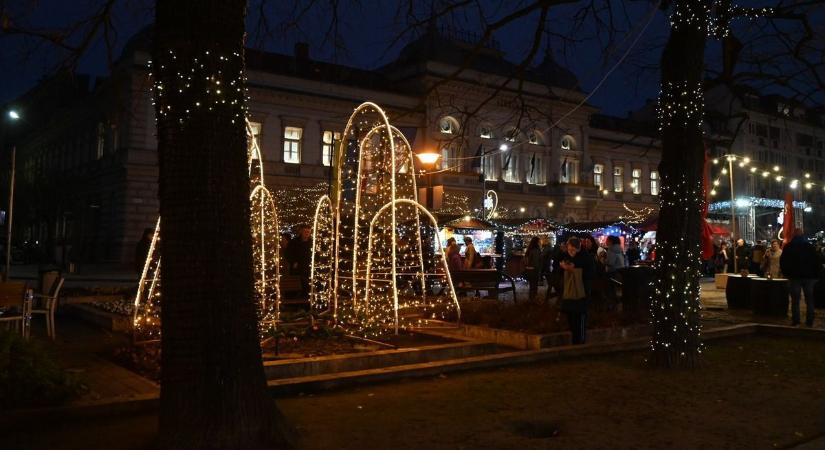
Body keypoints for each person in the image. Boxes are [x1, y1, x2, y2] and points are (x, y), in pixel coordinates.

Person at [780, 229, 820, 327]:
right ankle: (809, 321)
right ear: (803, 235)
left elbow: (783, 262)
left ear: (794, 235)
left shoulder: (789, 247)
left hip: (794, 277)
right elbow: (816, 261)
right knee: (809, 300)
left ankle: (796, 320)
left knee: (795, 300)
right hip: (809, 277)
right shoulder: (809, 247)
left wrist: (787, 273)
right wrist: (816, 275)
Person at [559, 237, 594, 344]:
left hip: (581, 291)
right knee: (571, 316)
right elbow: (558, 266)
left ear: (578, 248)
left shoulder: (585, 257)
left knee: (580, 315)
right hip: (569, 292)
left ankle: (580, 340)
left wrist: (574, 269)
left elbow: (590, 273)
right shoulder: (566, 256)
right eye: (569, 249)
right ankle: (574, 338)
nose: (571, 252)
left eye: (573, 250)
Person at [287, 225, 313, 298]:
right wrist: (293, 262)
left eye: (308, 232)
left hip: (308, 269)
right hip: (297, 269)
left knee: (307, 287)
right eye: (305, 231)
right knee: (295, 286)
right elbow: (288, 253)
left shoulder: (312, 243)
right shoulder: (294, 242)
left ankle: (305, 302)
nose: (307, 233)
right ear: (301, 231)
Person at [525, 237, 543, 301]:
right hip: (534, 270)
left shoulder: (530, 249)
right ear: (537, 242)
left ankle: (531, 299)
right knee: (534, 286)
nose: (540, 242)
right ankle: (533, 299)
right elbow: (536, 262)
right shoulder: (536, 250)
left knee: (532, 285)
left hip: (529, 269)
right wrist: (539, 269)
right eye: (539, 241)